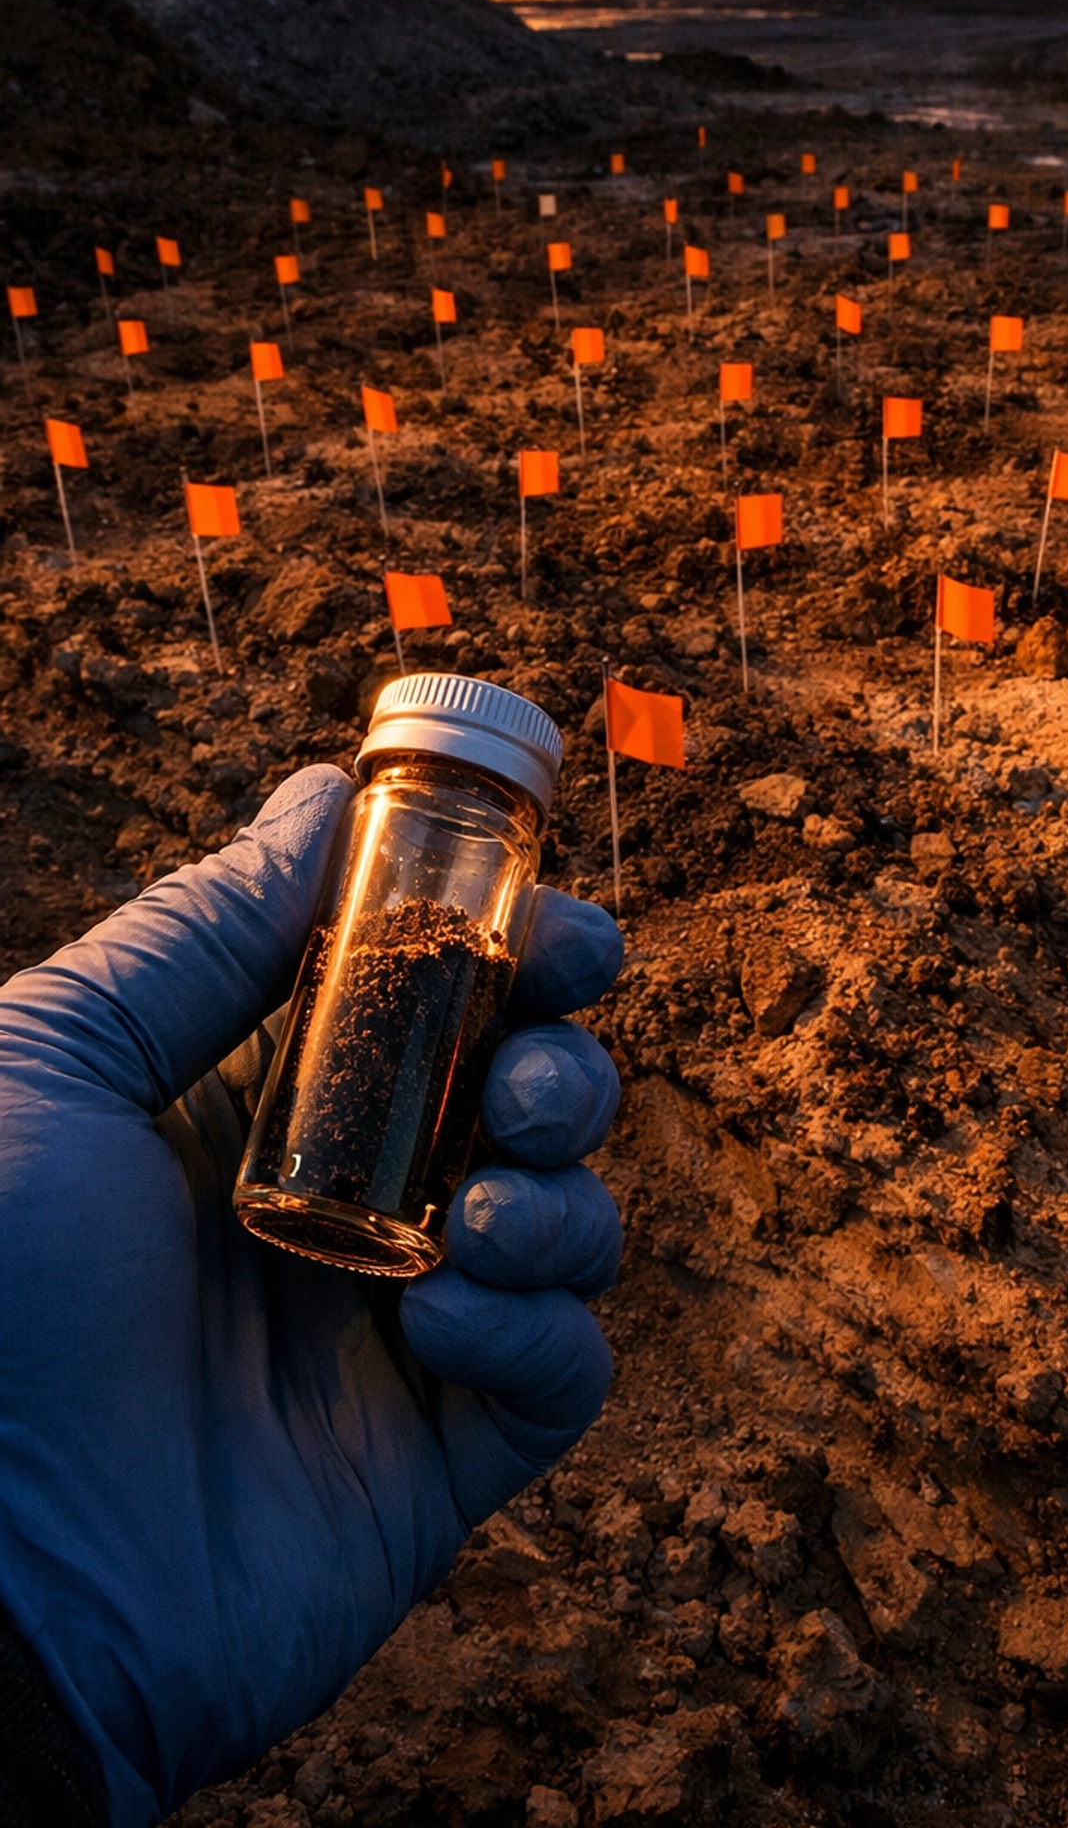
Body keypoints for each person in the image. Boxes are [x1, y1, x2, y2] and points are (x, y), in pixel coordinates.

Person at [0, 765, 625, 1828]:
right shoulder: (380, 827)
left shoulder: (492, 874)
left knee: (518, 1134)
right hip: (273, 1183)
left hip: (374, 1230)